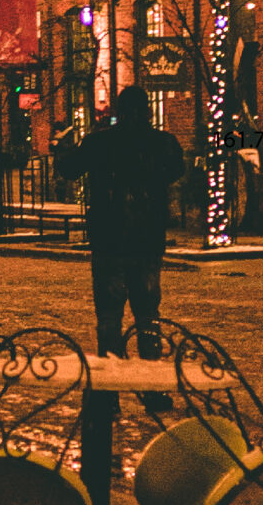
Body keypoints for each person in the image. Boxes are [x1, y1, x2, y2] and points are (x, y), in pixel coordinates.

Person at [60, 87, 187, 356]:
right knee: (148, 315)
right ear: (148, 111)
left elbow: (68, 169)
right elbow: (177, 169)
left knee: (109, 315)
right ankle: (151, 379)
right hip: (148, 240)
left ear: (119, 112)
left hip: (109, 240)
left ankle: (110, 375)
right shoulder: (163, 143)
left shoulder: (99, 142)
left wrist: (63, 144)